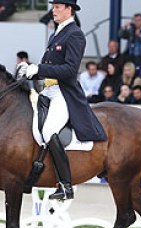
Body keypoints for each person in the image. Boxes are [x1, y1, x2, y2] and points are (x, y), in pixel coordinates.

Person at [17, 0, 106, 200]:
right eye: (53, 6)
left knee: (49, 131)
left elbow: (69, 70)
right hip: (47, 91)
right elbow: (49, 67)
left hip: (63, 93)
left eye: (57, 7)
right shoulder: (57, 33)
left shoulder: (75, 34)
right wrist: (29, 71)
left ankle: (66, 185)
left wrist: (38, 69)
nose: (53, 10)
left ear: (69, 9)